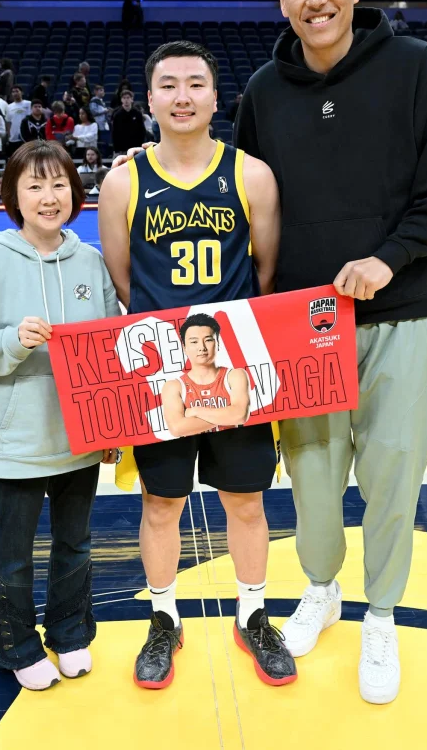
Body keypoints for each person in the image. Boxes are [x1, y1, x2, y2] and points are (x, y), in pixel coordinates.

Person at [232, 0, 427, 705]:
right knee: (312, 480)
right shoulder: (263, 92)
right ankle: (323, 589)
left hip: (403, 314)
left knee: (393, 475)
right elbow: (247, 204)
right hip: (305, 327)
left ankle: (382, 614)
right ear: (282, 1)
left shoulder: (415, 66)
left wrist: (389, 258)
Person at [100, 40, 295, 689]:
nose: (182, 96)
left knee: (246, 500)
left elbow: (265, 273)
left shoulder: (252, 175)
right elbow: (124, 283)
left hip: (234, 367)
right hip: (161, 374)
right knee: (161, 502)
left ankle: (253, 615)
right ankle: (164, 619)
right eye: (168, 85)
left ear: (216, 97)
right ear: (148, 98)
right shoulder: (123, 182)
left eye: (195, 84)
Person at [0, 140, 120, 692]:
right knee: (14, 555)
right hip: (17, 439)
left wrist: (112, 426)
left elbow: (109, 352)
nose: (49, 197)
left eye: (59, 184)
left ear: (75, 192)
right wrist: (11, 341)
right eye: (35, 185)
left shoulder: (90, 261)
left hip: (81, 435)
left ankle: (69, 633)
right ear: (14, 196)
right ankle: (17, 646)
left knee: (75, 543)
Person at [5, 85, 32, 157]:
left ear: (22, 92)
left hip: (27, 137)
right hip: (14, 137)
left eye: (17, 91)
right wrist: (9, 135)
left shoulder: (29, 104)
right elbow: (8, 122)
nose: (15, 93)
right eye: (13, 92)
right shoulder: (9, 107)